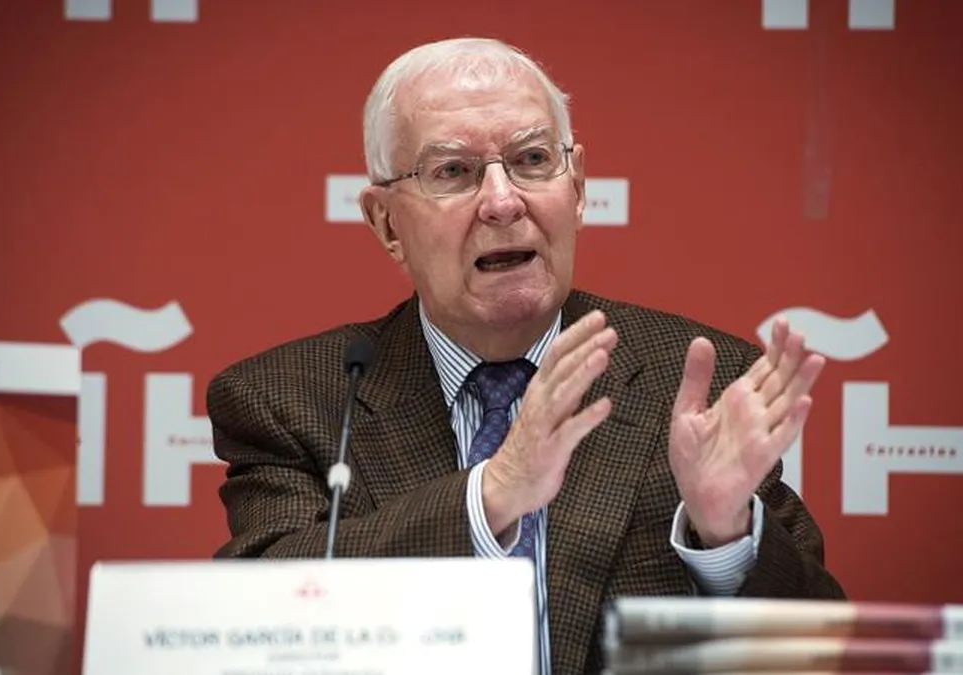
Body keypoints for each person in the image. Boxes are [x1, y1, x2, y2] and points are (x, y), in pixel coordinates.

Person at [208, 36, 846, 675]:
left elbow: (815, 653)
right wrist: (490, 497)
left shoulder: (696, 381)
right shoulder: (292, 398)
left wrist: (725, 535)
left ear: (578, 189)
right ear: (387, 224)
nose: (502, 201)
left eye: (532, 160)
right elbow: (259, 615)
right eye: (452, 171)